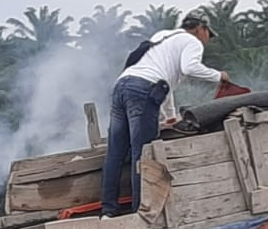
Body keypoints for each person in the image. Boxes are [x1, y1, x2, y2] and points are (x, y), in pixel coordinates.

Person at [99, 15, 231, 217]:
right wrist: (218, 76)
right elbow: (190, 68)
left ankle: (108, 210)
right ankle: (140, 211)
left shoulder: (164, 36)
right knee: (142, 152)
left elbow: (165, 84)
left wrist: (170, 116)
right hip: (144, 89)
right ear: (200, 29)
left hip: (122, 86)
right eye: (208, 35)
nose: (207, 40)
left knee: (115, 153)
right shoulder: (191, 41)